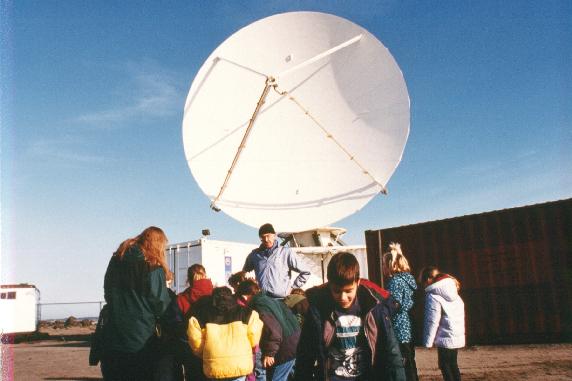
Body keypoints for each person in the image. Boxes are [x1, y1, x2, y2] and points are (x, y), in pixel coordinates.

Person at [295, 252, 406, 381]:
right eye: (336, 291)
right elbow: (305, 354)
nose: (343, 297)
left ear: (357, 282)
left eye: (348, 291)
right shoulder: (318, 310)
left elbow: (392, 352)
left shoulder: (375, 308)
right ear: (329, 284)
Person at [101, 226, 172, 381]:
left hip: (114, 334)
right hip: (141, 337)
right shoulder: (153, 267)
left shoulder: (116, 260)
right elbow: (160, 304)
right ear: (157, 244)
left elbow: (107, 293)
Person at [187, 286, 263, 381]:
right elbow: (254, 336)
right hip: (240, 364)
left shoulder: (201, 315)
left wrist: (205, 351)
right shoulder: (246, 312)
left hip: (215, 366)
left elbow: (195, 339)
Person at [236, 279, 301, 381]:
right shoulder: (268, 299)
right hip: (294, 342)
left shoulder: (258, 304)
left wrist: (270, 353)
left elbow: (273, 329)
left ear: (244, 296)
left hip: (285, 348)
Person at [419, 267, 465, 381]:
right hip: (455, 333)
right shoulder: (452, 289)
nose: (423, 285)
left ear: (429, 279)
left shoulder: (433, 295)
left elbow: (432, 320)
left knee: (444, 365)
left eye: (423, 282)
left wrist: (428, 342)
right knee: (453, 364)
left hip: (444, 335)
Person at [242, 223, 311, 299]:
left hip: (282, 301)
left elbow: (306, 271)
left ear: (274, 235)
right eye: (262, 237)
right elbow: (244, 273)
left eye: (268, 236)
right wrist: (251, 285)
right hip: (262, 300)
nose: (266, 239)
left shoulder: (286, 253)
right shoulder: (254, 255)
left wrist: (293, 288)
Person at [382, 243, 419, 381]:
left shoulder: (394, 282)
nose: (382, 268)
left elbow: (394, 304)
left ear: (391, 266)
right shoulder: (407, 279)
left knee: (402, 362)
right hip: (408, 326)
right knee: (410, 360)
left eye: (384, 265)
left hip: (399, 327)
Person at [176, 264, 214, 381]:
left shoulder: (181, 298)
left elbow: (177, 325)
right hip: (213, 346)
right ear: (205, 275)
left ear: (188, 279)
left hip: (190, 348)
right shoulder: (216, 295)